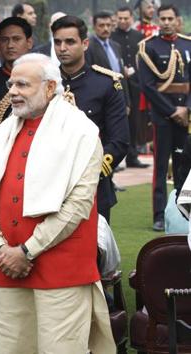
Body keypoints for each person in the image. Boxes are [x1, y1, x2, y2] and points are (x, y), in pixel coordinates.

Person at [0, 52, 116, 353]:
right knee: (7, 348)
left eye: (22, 85)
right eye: (11, 84)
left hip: (62, 271)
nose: (12, 92)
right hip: (8, 268)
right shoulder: (5, 130)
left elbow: (77, 207)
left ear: (50, 88)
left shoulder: (82, 132)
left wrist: (26, 251)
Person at [53, 15, 129, 223]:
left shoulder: (106, 84)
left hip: (94, 185)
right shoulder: (45, 83)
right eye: (57, 42)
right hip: (50, 186)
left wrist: (90, 173)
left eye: (70, 42)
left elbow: (119, 141)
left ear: (85, 44)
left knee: (94, 252)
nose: (62, 48)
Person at [138, 4, 191, 232]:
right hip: (163, 117)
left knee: (184, 164)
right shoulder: (148, 47)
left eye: (171, 18)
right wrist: (172, 112)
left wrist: (187, 109)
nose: (167, 22)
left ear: (177, 20)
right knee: (160, 166)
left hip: (185, 115)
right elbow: (148, 86)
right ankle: (159, 215)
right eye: (163, 18)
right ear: (158, 20)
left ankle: (184, 209)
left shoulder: (187, 44)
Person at [112, 6, 150, 168]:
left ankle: (132, 156)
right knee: (117, 120)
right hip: (116, 83)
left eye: (125, 18)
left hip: (134, 84)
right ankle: (116, 158)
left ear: (131, 19)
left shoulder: (139, 36)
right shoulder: (111, 36)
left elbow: (144, 58)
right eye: (119, 18)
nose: (122, 21)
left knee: (134, 121)